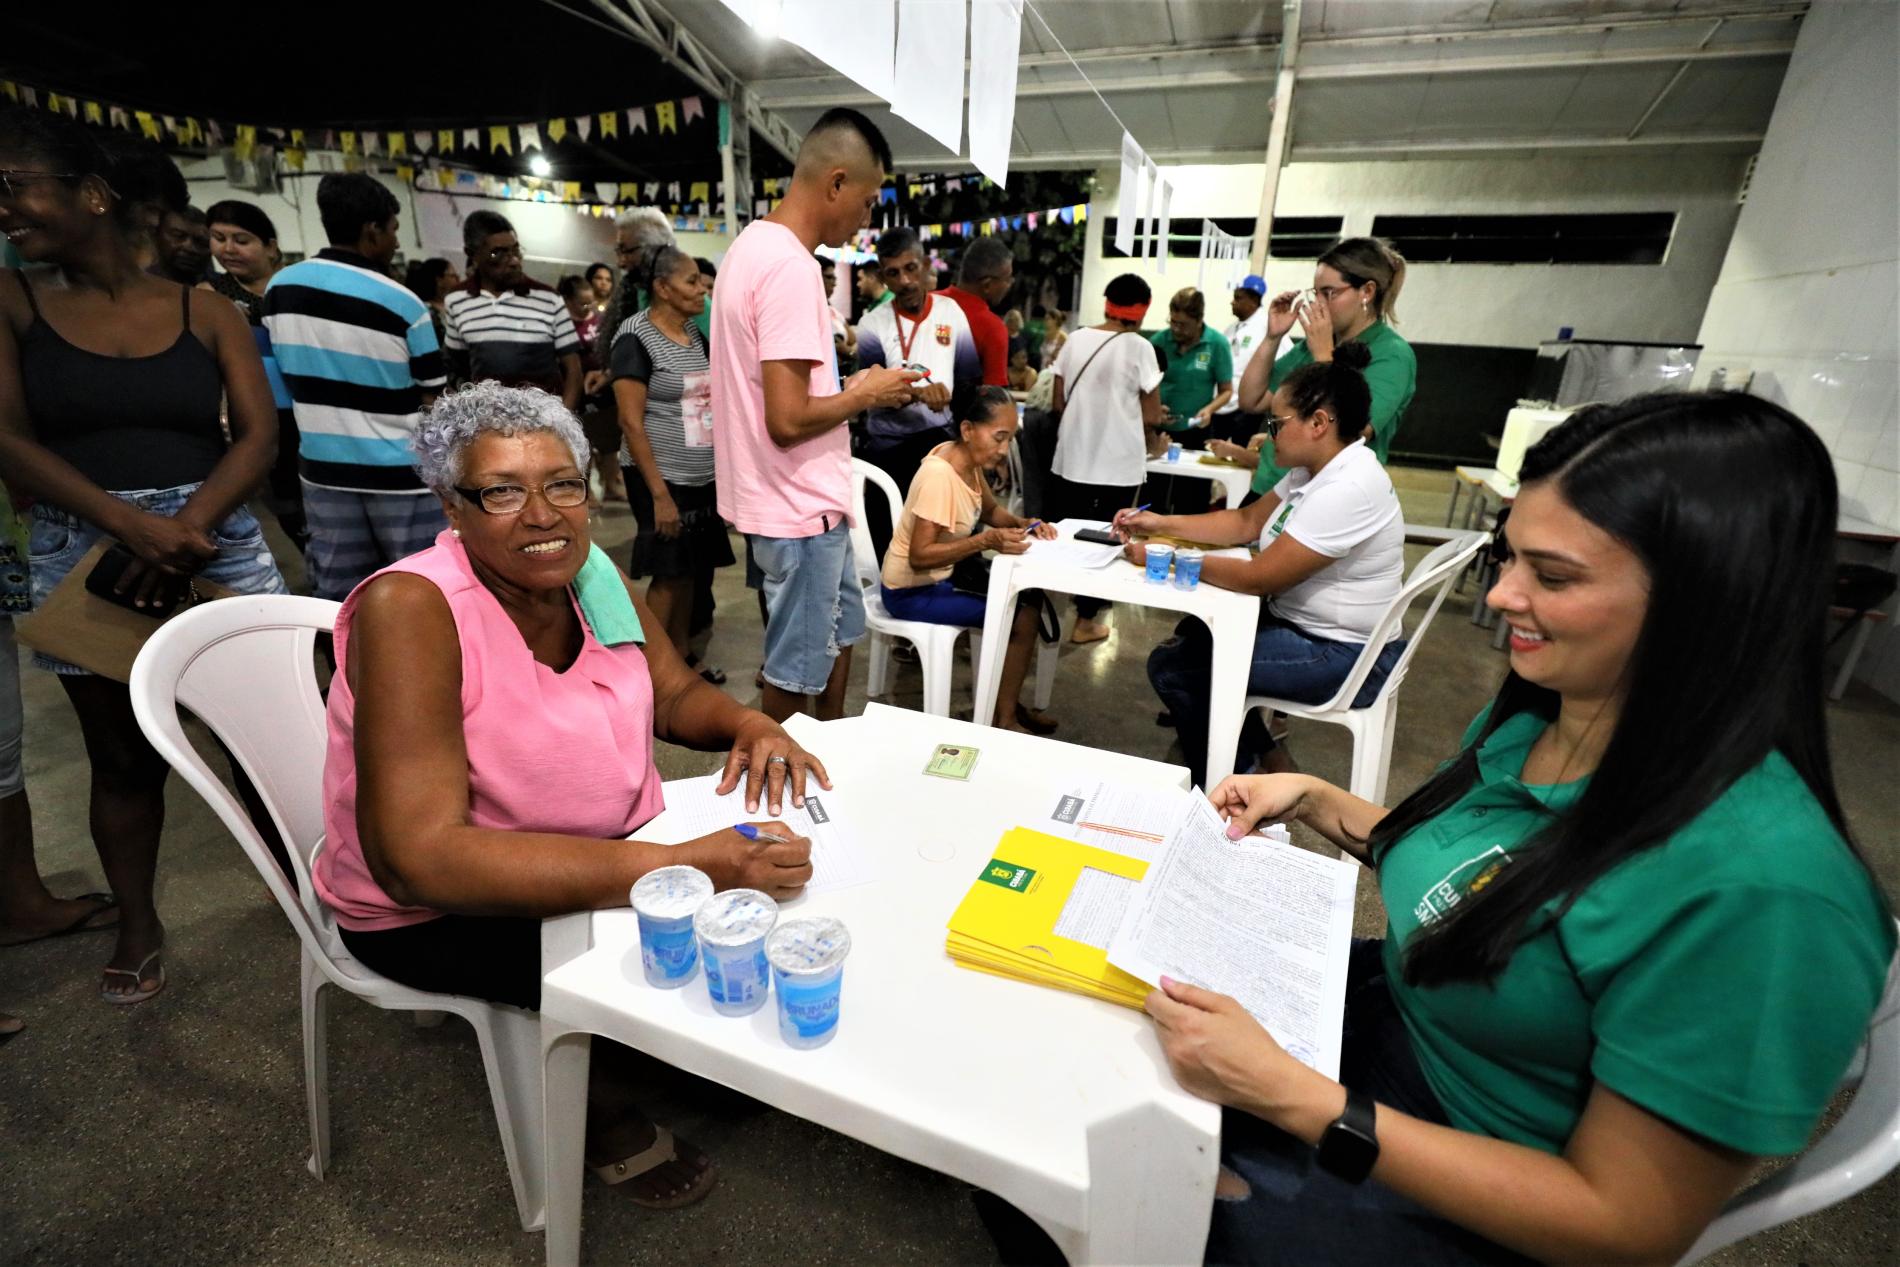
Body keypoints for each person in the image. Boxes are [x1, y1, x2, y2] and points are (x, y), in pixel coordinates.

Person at [1150, 391, 1895, 1266]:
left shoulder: (1763, 893)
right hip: (1384, 1033)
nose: (1502, 594)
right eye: (1510, 558)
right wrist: (1310, 795)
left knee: (1112, 1199)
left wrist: (1299, 1100)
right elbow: (1483, 868)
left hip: (1471, 1183)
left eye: (1554, 575)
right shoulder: (1549, 717)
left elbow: (1622, 1223)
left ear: (1707, 597)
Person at [317, 380, 828, 1207]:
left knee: (752, 951)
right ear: (453, 504)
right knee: (709, 969)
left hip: (609, 854)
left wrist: (749, 724)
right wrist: (676, 866)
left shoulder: (582, 572)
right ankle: (601, 1104)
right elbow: (421, 862)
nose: (543, 514)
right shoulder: (413, 607)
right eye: (503, 491)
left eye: (562, 483)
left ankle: (651, 1049)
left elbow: (669, 691)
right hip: (447, 909)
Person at [0, 106, 289, 1003]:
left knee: (273, 738)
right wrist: (131, 527)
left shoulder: (204, 311)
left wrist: (186, 525)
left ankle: (326, 894)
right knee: (122, 756)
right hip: (86, 545)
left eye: (15, 186)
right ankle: (139, 920)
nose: (4, 207)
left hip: (215, 538)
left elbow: (258, 434)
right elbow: (6, 440)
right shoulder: (13, 303)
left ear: (90, 194)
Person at [708, 107, 920, 724]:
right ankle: (786, 785)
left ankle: (828, 747)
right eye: (868, 199)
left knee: (838, 633)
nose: (866, 218)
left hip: (793, 499)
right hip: (797, 507)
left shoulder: (751, 246)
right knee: (793, 669)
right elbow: (787, 418)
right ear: (835, 183)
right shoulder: (791, 267)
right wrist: (868, 394)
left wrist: (850, 385)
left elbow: (779, 393)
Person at [1130, 343, 1404, 782]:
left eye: (1277, 423)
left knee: (1176, 669)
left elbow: (1259, 577)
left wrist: (1167, 556)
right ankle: (1265, 761)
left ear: (1319, 423)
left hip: (1345, 654)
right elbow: (1245, 521)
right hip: (1312, 630)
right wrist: (1158, 521)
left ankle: (1239, 788)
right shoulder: (1314, 470)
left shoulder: (1348, 487)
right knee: (1193, 636)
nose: (1268, 433)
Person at [266, 172, 448, 600]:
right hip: (402, 477)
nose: (396, 243)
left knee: (341, 595)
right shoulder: (403, 303)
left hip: (323, 474)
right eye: (393, 230)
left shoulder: (281, 289)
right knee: (421, 587)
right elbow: (434, 398)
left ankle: (346, 666)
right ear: (373, 230)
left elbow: (283, 382)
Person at [880, 386, 1058, 733]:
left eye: (1010, 440)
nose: (1004, 449)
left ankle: (1003, 703)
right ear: (967, 430)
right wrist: (985, 541)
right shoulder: (939, 476)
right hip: (909, 592)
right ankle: (1001, 717)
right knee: (1020, 615)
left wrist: (1026, 524)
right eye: (998, 437)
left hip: (938, 580)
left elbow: (990, 510)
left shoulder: (968, 463)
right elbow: (919, 556)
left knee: (1028, 601)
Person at [612, 244, 733, 664]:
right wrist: (660, 494)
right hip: (661, 479)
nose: (701, 289)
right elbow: (630, 421)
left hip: (699, 477)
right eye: (691, 281)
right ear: (662, 287)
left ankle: (678, 662)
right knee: (668, 576)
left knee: (689, 576)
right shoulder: (634, 337)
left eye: (701, 280)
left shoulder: (694, 333)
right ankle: (643, 672)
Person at [1228, 238, 1415, 499]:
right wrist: (1273, 337)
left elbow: (1352, 431)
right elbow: (1252, 400)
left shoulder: (1392, 354)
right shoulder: (1309, 346)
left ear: (1367, 292)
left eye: (1330, 293)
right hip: (1271, 490)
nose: (1319, 304)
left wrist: (1323, 356)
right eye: (1315, 293)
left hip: (1324, 499)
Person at [1046, 272, 1165, 646]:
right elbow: (1152, 415)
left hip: (1073, 456)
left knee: (1066, 533)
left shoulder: (1076, 339)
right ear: (1142, 311)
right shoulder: (1140, 347)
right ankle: (1085, 619)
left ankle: (1046, 607)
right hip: (1120, 463)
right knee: (1109, 538)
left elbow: (1057, 402)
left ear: (1106, 303)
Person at [854, 226, 981, 562]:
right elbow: (870, 393)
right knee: (890, 543)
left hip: (940, 444)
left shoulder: (950, 313)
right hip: (888, 450)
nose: (905, 281)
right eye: (893, 273)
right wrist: (920, 394)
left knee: (947, 540)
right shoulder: (871, 324)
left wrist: (972, 444)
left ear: (926, 265)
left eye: (911, 269)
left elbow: (969, 382)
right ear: (883, 276)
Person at [202, 199, 305, 548]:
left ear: (270, 247)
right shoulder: (212, 295)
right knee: (284, 500)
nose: (227, 249)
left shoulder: (295, 287)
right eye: (218, 238)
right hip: (254, 412)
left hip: (308, 408)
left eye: (241, 240)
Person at [442, 211, 582, 413]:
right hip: (488, 423)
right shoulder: (457, 300)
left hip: (544, 422)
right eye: (497, 253)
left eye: (516, 250)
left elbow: (574, 371)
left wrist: (563, 421)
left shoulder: (548, 298)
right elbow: (455, 367)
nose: (514, 261)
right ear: (472, 254)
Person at [558, 274, 620, 503]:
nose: (587, 308)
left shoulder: (600, 319)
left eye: (589, 302)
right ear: (566, 301)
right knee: (582, 443)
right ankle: (587, 490)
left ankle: (612, 484)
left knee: (609, 440)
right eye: (581, 303)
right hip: (577, 390)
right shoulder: (563, 324)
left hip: (604, 388)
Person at [1151, 287, 1234, 449]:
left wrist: (1209, 410)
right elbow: (1141, 387)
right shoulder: (1158, 342)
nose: (1176, 329)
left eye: (1183, 325)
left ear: (1199, 320)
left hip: (1196, 430)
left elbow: (1227, 391)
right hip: (1157, 429)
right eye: (1173, 322)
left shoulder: (1217, 344)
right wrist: (1154, 410)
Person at [599, 206, 676, 355]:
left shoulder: (689, 296)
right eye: (618, 251)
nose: (620, 263)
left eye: (626, 251)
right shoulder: (635, 291)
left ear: (655, 249)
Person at [937, 236, 1012, 387]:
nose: (1009, 285)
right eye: (1008, 278)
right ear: (987, 285)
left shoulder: (927, 303)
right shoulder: (992, 328)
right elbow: (993, 398)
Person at [1210, 275, 1276, 446]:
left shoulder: (1269, 327)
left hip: (1246, 408)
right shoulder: (1230, 330)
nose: (1232, 302)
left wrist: (1267, 398)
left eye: (1238, 298)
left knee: (1238, 455)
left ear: (1253, 300)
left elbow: (1286, 363)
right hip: (1222, 403)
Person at [402, 256, 462, 367]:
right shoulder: (425, 311)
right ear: (439, 280)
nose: (458, 279)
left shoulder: (455, 305)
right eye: (453, 275)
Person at [150, 204, 210, 286]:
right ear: (156, 236)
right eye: (178, 236)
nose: (190, 248)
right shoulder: (131, 282)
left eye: (201, 242)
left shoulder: (221, 289)